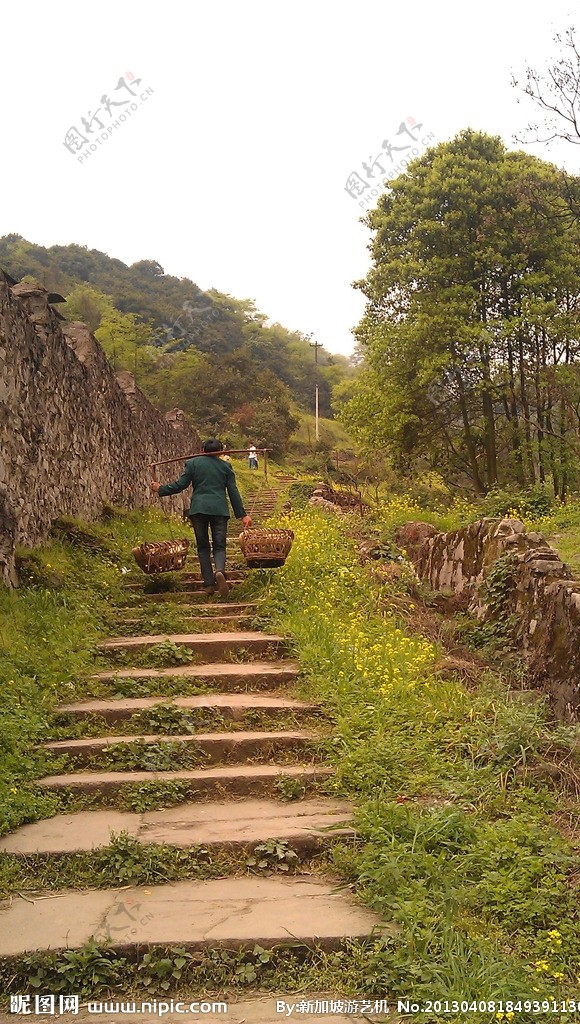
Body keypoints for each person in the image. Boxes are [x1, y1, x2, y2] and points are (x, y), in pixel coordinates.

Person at [152, 439, 252, 597]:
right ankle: (219, 571)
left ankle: (208, 584)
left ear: (202, 450)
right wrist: (242, 515)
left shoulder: (193, 463)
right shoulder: (225, 467)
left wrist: (161, 489)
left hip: (199, 510)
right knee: (219, 546)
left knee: (203, 547)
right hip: (219, 510)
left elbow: (180, 485)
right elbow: (233, 491)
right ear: (220, 451)